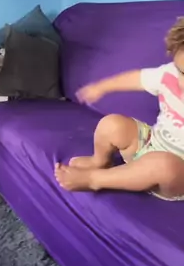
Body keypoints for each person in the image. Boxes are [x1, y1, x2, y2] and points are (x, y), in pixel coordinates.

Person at [54, 18, 184, 201]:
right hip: (151, 144)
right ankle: (99, 161)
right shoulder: (168, 75)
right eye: (181, 71)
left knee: (162, 165)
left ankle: (94, 179)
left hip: (175, 175)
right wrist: (102, 87)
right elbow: (137, 78)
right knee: (112, 124)